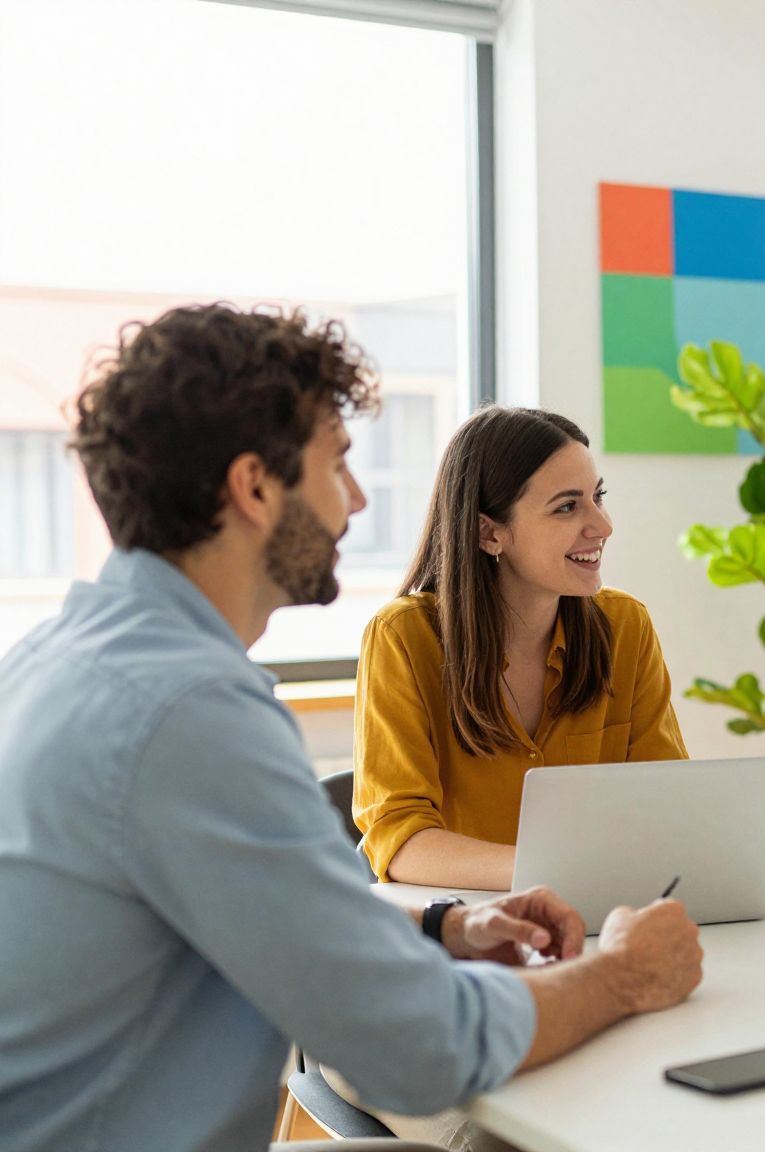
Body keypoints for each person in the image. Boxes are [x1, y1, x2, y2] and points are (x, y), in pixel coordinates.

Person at [0, 305, 703, 1152]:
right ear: (255, 487)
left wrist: (444, 926)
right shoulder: (188, 714)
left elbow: (284, 912)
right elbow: (421, 1042)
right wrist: (623, 974)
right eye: (337, 463)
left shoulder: (68, 657)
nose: (359, 499)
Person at [354, 406, 688, 888]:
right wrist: (555, 874)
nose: (603, 525)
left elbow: (670, 801)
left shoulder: (626, 626)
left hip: (600, 913)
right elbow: (401, 840)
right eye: (568, 507)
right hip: (466, 931)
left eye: (597, 497)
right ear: (490, 532)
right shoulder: (403, 638)